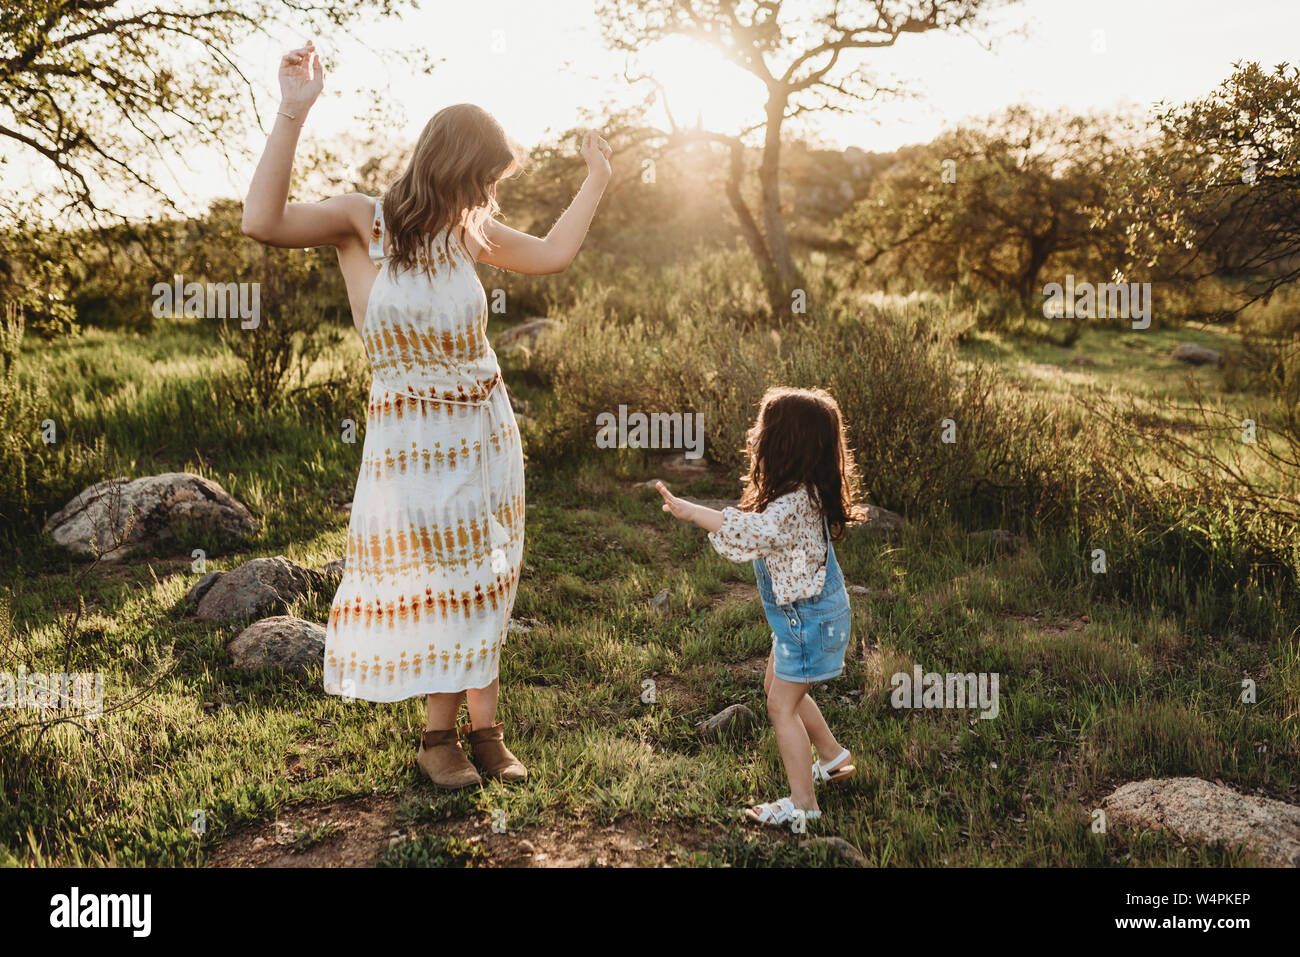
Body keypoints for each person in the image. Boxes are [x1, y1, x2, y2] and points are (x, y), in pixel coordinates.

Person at [241, 40, 612, 788]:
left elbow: (552, 253)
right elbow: (262, 220)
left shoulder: (471, 230)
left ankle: (478, 734)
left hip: (482, 429)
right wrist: (292, 110)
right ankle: (439, 737)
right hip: (408, 442)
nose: (488, 193)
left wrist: (597, 180)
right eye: (482, 178)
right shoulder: (361, 222)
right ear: (452, 164)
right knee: (440, 578)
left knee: (486, 575)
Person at [657, 387, 861, 826]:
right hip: (806, 619)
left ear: (784, 445)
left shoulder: (791, 505)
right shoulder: (805, 492)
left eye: (762, 432)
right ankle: (831, 755)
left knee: (780, 705)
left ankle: (804, 806)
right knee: (778, 685)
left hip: (807, 622)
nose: (754, 438)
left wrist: (693, 512)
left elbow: (751, 531)